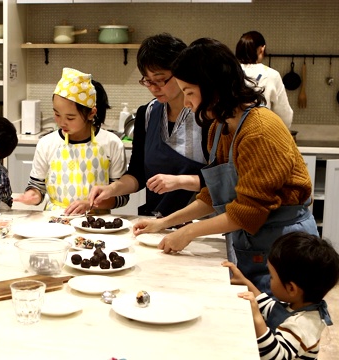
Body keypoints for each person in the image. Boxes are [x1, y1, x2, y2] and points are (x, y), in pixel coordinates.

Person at [133, 38, 317, 294]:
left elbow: (249, 211)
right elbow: (212, 195)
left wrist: (189, 233)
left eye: (189, 93)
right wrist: (163, 223)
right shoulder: (221, 128)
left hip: (287, 249)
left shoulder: (260, 130)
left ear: (212, 88)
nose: (186, 103)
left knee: (284, 327)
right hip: (253, 243)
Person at [89, 33, 209, 218]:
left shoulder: (206, 117)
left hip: (199, 225)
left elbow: (223, 180)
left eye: (160, 80)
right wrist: (112, 189)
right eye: (147, 80)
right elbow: (138, 174)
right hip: (155, 221)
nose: (153, 88)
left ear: (181, 72)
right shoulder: (147, 113)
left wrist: (179, 181)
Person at [13, 68, 127, 214]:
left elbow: (121, 196)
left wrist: (90, 204)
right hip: (55, 219)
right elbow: (37, 186)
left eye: (70, 118)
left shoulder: (111, 143)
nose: (62, 122)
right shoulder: (47, 143)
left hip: (96, 222)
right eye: (57, 114)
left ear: (91, 113)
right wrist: (32, 195)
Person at [223, 232, 339, 360]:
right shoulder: (296, 306)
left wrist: (257, 318)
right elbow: (270, 308)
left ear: (291, 288)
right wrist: (245, 282)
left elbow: (276, 357)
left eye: (272, 276)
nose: (269, 280)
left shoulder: (302, 324)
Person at [236, 31, 293, 128]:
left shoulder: (229, 72)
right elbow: (284, 116)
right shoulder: (271, 75)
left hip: (232, 135)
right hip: (260, 134)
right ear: (262, 49)